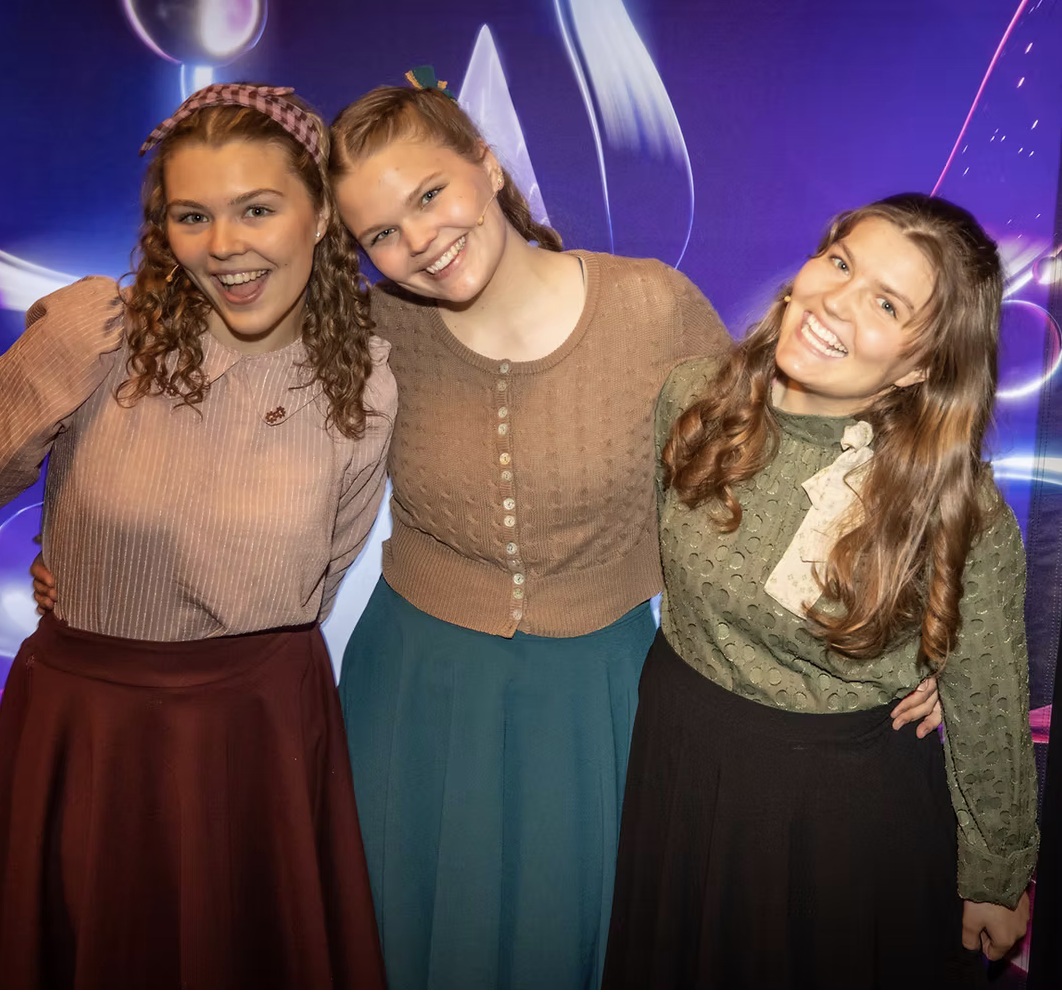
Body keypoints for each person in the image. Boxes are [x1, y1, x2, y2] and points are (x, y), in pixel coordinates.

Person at [323, 74, 944, 989]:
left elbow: (795, 472)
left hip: (599, 700)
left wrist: (922, 639)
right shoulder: (372, 330)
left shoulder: (651, 305)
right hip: (413, 694)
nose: (417, 241)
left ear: (486, 165)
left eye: (429, 194)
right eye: (380, 233)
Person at [0, 83, 393, 988]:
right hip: (87, 729)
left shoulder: (365, 381)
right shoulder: (96, 334)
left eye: (257, 209)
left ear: (320, 214)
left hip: (258, 733)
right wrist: (87, 566)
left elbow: (317, 579)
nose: (224, 246)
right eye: (192, 216)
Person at [602, 193, 1039, 987]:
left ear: (921, 365)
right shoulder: (695, 399)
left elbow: (991, 712)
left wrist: (997, 875)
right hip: (682, 762)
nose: (837, 300)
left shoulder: (956, 508)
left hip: (838, 818)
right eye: (839, 263)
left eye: (886, 304)